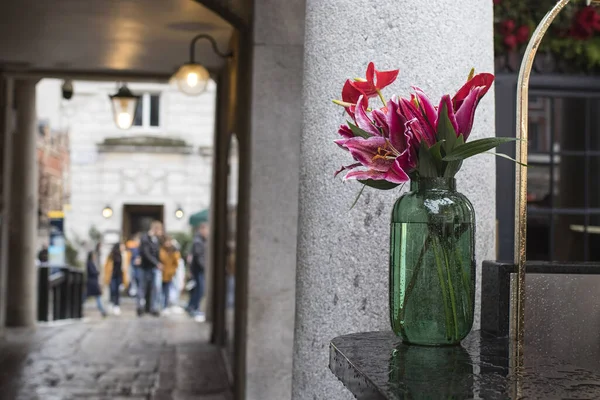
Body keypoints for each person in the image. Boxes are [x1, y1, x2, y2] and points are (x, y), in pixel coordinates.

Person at [138, 221, 163, 316]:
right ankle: (140, 307)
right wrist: (157, 263)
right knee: (142, 288)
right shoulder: (145, 238)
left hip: (153, 268)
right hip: (145, 267)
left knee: (154, 288)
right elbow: (146, 253)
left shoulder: (155, 239)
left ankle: (152, 308)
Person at [187, 222, 208, 319]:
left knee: (198, 289)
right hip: (198, 270)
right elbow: (199, 257)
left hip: (198, 270)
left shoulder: (201, 240)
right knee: (199, 290)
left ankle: (192, 307)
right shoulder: (198, 241)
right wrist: (205, 268)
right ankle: (193, 308)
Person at [104, 242, 129, 315]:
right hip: (112, 275)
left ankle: (116, 305)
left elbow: (125, 267)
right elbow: (107, 266)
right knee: (113, 290)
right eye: (122, 246)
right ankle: (111, 303)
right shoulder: (112, 255)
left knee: (117, 291)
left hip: (119, 276)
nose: (123, 247)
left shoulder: (124, 255)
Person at [85, 245, 107, 318]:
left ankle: (103, 310)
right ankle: (102, 310)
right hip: (92, 283)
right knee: (94, 297)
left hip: (93, 282)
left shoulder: (91, 263)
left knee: (95, 297)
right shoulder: (89, 263)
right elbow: (92, 272)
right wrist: (97, 272)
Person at [159, 236, 180, 310]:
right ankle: (161, 305)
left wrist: (172, 271)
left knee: (167, 290)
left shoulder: (174, 251)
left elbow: (176, 262)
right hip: (161, 273)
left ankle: (165, 306)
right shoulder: (161, 250)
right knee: (160, 290)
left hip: (169, 274)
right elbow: (161, 259)